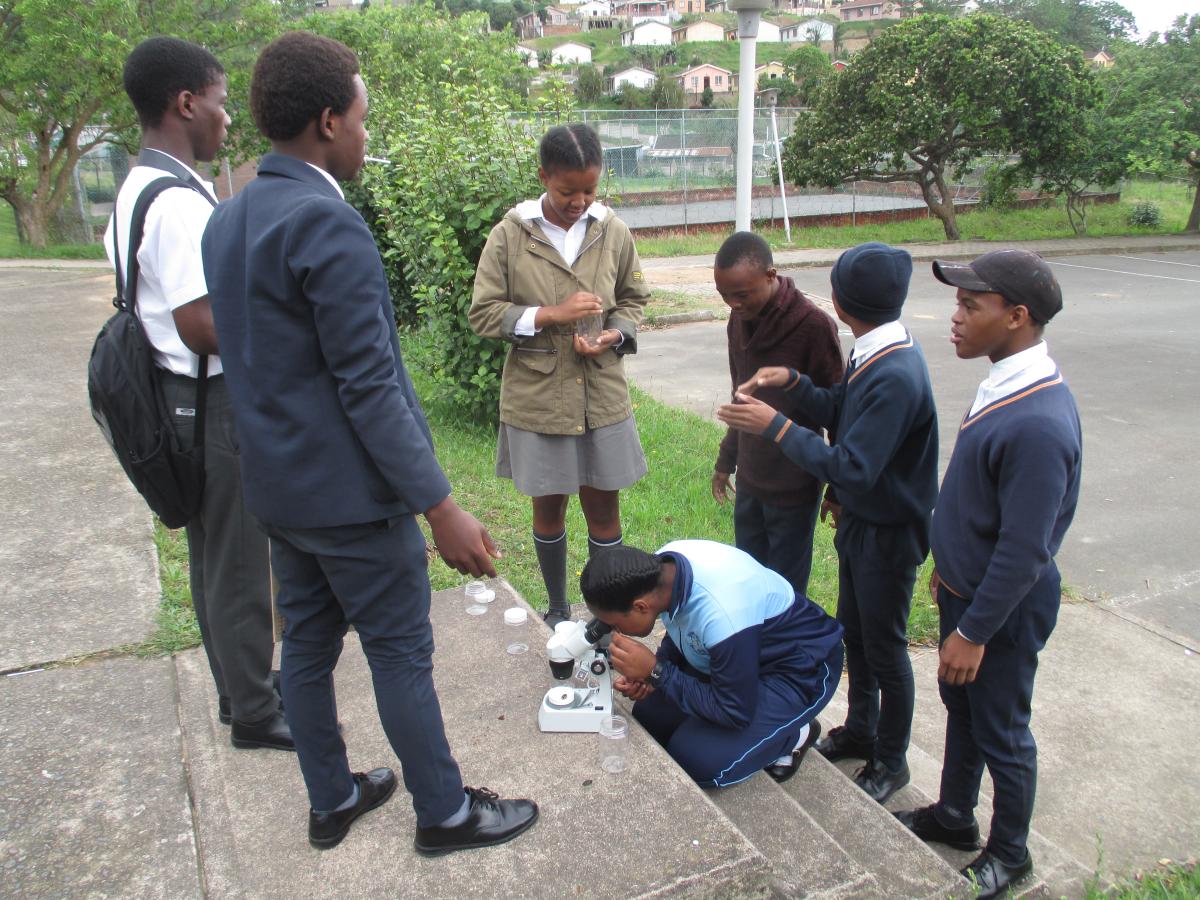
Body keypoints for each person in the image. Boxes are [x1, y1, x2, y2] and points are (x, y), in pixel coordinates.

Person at [200, 31, 537, 854]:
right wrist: (441, 507)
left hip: (277, 491)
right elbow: (370, 386)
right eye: (361, 117)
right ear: (326, 122)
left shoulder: (230, 217)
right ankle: (445, 812)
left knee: (308, 644)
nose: (365, 133)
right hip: (351, 501)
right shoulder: (327, 224)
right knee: (398, 650)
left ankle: (332, 798)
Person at [105, 37, 288, 751]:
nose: (225, 122)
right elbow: (200, 323)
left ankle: (239, 691)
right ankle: (255, 712)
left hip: (176, 399)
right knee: (239, 562)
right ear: (186, 103)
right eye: (218, 103)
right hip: (208, 403)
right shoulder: (179, 202)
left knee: (215, 556)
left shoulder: (136, 186)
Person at [717, 242, 938, 806]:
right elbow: (838, 412)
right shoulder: (872, 353)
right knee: (856, 635)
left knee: (887, 650)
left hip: (889, 531)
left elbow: (854, 465)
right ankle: (861, 728)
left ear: (839, 301)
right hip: (863, 523)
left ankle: (892, 760)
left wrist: (776, 427)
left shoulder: (896, 373)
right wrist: (792, 381)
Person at [892, 250, 1081, 899]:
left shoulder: (1037, 422)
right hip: (968, 595)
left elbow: (1026, 547)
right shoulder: (1005, 378)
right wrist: (950, 573)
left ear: (1017, 316)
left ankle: (1011, 853)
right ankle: (953, 815)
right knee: (964, 711)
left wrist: (972, 631)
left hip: (1001, 610)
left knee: (1001, 726)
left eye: (972, 306)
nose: (956, 317)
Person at [469, 123, 649, 628]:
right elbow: (483, 313)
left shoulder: (611, 229)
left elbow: (633, 300)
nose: (579, 201)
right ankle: (555, 606)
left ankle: (602, 610)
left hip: (601, 395)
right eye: (567, 190)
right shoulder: (511, 234)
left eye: (590, 190)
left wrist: (613, 336)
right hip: (539, 397)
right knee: (548, 510)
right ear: (544, 176)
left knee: (603, 511)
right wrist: (550, 314)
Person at [580, 541, 844, 786]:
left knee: (698, 761)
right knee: (651, 719)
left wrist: (657, 672)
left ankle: (795, 734)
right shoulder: (660, 572)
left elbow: (734, 710)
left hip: (798, 669)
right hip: (736, 656)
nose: (615, 630)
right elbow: (682, 625)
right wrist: (655, 670)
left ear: (640, 607)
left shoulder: (722, 612)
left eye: (615, 624)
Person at [711, 232, 844, 597]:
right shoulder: (737, 321)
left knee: (784, 590)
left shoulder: (814, 326)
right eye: (724, 296)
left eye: (742, 294)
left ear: (771, 276)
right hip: (752, 479)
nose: (734, 305)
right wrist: (727, 460)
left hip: (794, 483)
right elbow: (740, 397)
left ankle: (784, 653)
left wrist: (838, 488)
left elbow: (838, 412)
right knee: (748, 580)